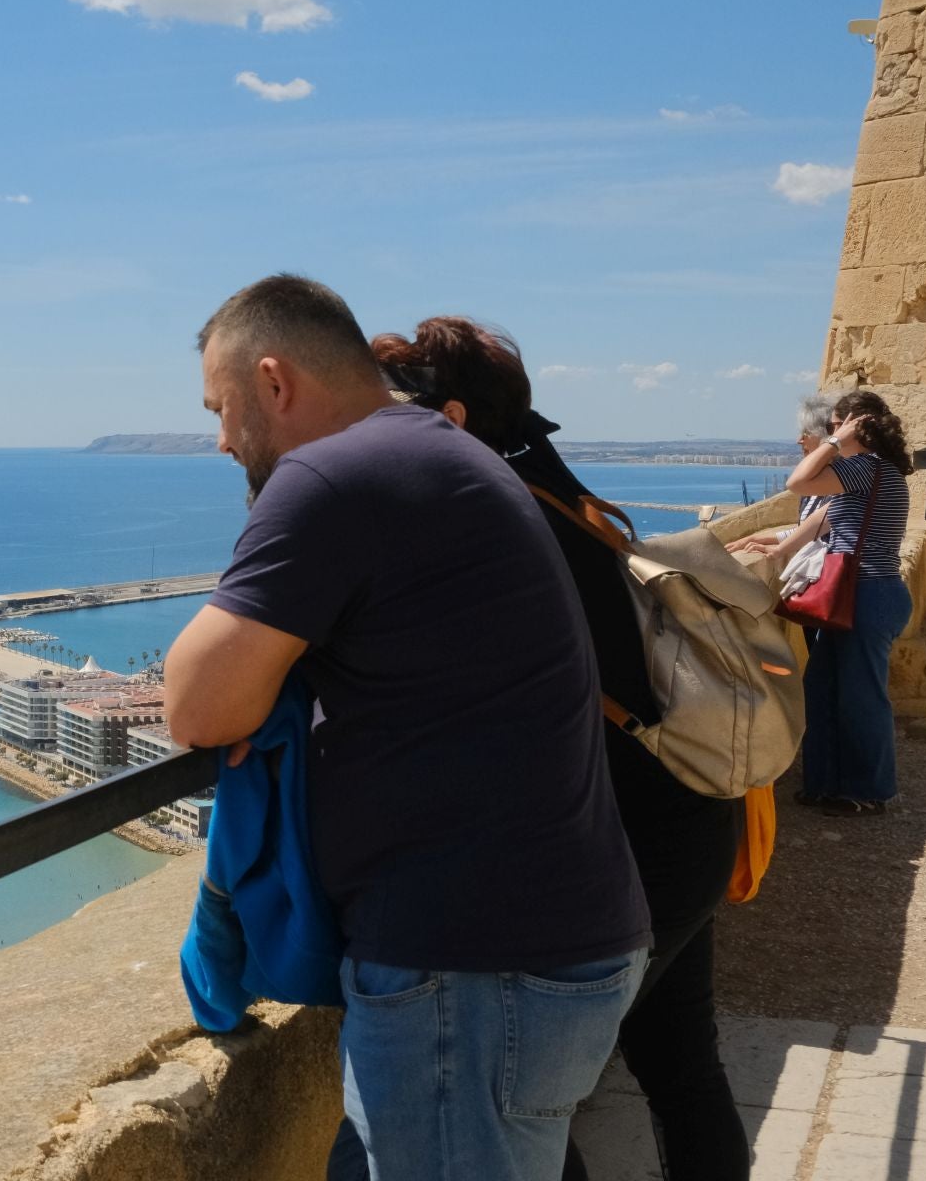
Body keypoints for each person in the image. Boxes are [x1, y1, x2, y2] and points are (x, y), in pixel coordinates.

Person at [163, 275, 650, 1181]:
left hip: (471, 973)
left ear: (274, 382)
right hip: (530, 947)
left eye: (221, 408)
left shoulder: (333, 475)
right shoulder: (441, 449)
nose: (223, 439)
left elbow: (194, 706)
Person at [368, 316, 750, 1181]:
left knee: (529, 1087)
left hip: (633, 842)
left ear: (451, 417)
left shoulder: (492, 520)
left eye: (390, 413)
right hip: (682, 812)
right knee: (680, 1066)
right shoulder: (558, 496)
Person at [755, 391, 913, 816]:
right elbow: (819, 519)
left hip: (869, 594)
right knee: (821, 689)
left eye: (835, 425)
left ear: (853, 426)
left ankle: (869, 790)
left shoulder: (867, 467)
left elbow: (796, 483)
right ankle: (824, 783)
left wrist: (833, 441)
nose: (829, 433)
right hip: (859, 594)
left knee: (861, 695)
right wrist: (777, 550)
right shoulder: (858, 474)